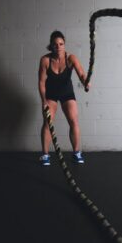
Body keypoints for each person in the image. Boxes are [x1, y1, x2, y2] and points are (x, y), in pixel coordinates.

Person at [38, 30, 90, 166]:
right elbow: (42, 82)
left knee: (74, 121)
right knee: (48, 123)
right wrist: (43, 101)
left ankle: (77, 153)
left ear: (64, 45)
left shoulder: (71, 58)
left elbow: (82, 74)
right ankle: (45, 155)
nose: (58, 47)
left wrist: (86, 82)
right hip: (51, 94)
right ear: (51, 46)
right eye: (55, 44)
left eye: (61, 44)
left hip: (67, 93)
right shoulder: (45, 60)